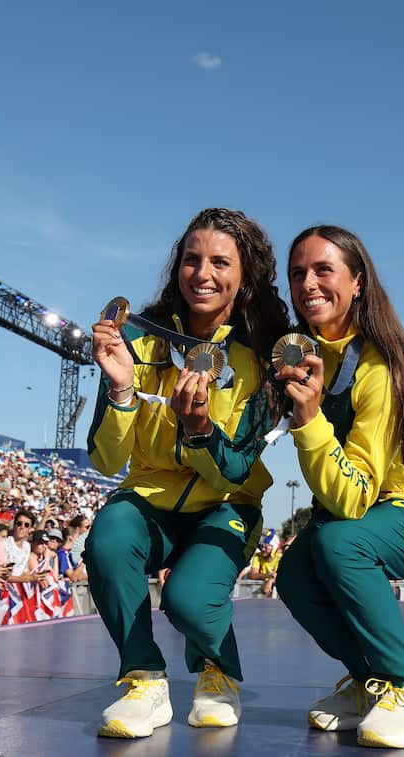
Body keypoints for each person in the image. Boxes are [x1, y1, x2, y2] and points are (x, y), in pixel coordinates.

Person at [83, 208, 288, 738]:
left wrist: (198, 432)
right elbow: (106, 461)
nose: (203, 273)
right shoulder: (140, 343)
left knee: (189, 600)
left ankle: (219, 673)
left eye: (221, 262)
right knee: (108, 537)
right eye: (192, 260)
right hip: (149, 500)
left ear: (245, 278)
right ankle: (143, 679)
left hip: (226, 503)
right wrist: (122, 390)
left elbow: (235, 469)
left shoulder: (261, 361)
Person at [272, 225, 404, 749]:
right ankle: (369, 683)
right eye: (297, 273)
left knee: (338, 543)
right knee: (291, 575)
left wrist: (309, 417)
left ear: (358, 282)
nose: (307, 283)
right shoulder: (303, 351)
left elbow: (354, 496)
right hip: (357, 516)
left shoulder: (377, 367)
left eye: (323, 270)